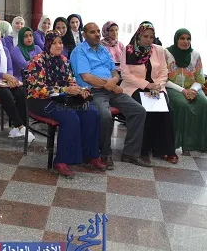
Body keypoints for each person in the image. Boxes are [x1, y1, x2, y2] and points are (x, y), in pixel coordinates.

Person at [26, 31, 105, 177]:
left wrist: (80, 91)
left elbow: (70, 82)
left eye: (60, 42)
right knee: (70, 117)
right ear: (47, 44)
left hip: (62, 98)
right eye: (54, 43)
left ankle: (90, 154)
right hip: (40, 100)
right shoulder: (37, 61)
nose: (59, 46)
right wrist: (64, 90)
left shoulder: (63, 60)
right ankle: (62, 161)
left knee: (91, 112)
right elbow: (37, 89)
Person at [70, 22, 149, 169]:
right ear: (84, 35)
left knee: (138, 111)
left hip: (111, 89)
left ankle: (130, 153)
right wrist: (109, 84)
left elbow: (115, 72)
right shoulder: (79, 51)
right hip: (92, 91)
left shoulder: (103, 50)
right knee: (105, 115)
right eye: (92, 32)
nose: (97, 34)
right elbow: (86, 77)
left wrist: (113, 82)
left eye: (98, 31)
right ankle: (104, 153)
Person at [121, 22, 177, 164]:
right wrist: (147, 85)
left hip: (156, 87)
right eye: (145, 36)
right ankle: (142, 150)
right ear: (138, 35)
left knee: (166, 110)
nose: (148, 40)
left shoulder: (158, 50)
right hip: (134, 87)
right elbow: (126, 74)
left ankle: (165, 149)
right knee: (145, 110)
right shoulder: (129, 50)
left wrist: (157, 86)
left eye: (151, 37)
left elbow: (164, 72)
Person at [164, 29, 207, 155]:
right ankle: (180, 143)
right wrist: (183, 91)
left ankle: (199, 143)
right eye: (182, 38)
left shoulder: (196, 55)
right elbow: (164, 79)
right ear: (176, 39)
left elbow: (200, 79)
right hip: (172, 87)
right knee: (183, 104)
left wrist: (193, 89)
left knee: (203, 103)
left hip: (192, 88)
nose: (185, 41)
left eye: (188, 39)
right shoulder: (167, 53)